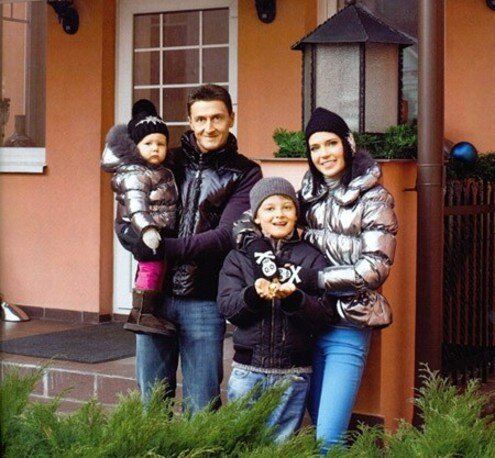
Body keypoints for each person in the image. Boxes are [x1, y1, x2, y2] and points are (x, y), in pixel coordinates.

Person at [234, 107, 398, 453]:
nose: (324, 154)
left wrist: (313, 277)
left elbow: (375, 268)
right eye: (315, 147)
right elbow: (253, 217)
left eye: (331, 143)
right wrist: (258, 248)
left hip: (346, 323)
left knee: (329, 437)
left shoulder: (374, 198)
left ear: (348, 144)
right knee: (309, 422)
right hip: (304, 323)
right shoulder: (307, 193)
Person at [115, 84, 262, 413]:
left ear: (231, 118)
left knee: (202, 404)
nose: (209, 127)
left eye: (217, 118)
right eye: (201, 119)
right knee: (152, 403)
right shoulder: (165, 159)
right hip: (153, 298)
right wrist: (133, 239)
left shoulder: (246, 172)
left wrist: (163, 249)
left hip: (204, 300)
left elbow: (225, 236)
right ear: (190, 121)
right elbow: (128, 209)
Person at [217, 177, 338, 443]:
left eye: (286, 207)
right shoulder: (238, 257)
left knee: (280, 445)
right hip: (247, 370)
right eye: (269, 208)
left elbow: (323, 316)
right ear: (256, 217)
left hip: (293, 373)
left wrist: (295, 299)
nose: (279, 214)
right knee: (241, 441)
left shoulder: (312, 258)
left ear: (296, 214)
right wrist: (254, 294)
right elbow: (228, 307)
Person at [101, 99, 177, 336]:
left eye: (160, 144)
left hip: (149, 226)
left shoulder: (159, 170)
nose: (155, 148)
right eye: (148, 143)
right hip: (135, 226)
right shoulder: (135, 173)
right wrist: (147, 229)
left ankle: (145, 311)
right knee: (152, 260)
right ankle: (142, 313)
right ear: (135, 147)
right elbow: (136, 206)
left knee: (152, 264)